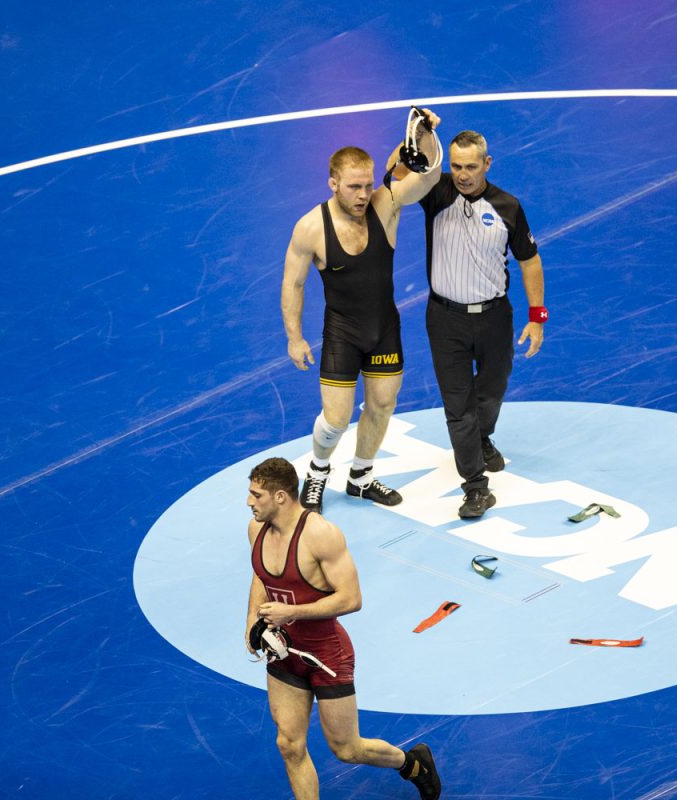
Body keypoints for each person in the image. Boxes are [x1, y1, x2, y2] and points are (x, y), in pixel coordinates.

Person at [244, 457, 442, 800]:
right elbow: (262, 574)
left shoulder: (321, 535)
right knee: (289, 744)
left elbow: (351, 599)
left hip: (326, 652)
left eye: (256, 495)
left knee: (347, 749)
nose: (250, 502)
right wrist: (252, 620)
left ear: (280, 497)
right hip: (284, 649)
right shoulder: (256, 529)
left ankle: (413, 764)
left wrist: (291, 610)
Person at [282, 110, 442, 514]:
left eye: (367, 184)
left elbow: (428, 176)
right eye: (353, 187)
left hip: (384, 328)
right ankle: (317, 472)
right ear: (332, 183)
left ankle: (361, 476)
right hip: (342, 333)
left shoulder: (384, 204)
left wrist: (425, 135)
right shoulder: (310, 228)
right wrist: (294, 336)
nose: (361, 194)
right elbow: (294, 284)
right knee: (335, 419)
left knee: (383, 404)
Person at [395, 129, 546, 519]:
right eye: (456, 166)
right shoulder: (436, 192)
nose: (462, 174)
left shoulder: (507, 206)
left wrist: (537, 317)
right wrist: (416, 134)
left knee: (492, 392)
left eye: (471, 167)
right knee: (458, 405)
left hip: (496, 318)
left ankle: (482, 437)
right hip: (445, 320)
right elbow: (396, 176)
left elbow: (529, 261)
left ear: (487, 164)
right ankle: (476, 487)